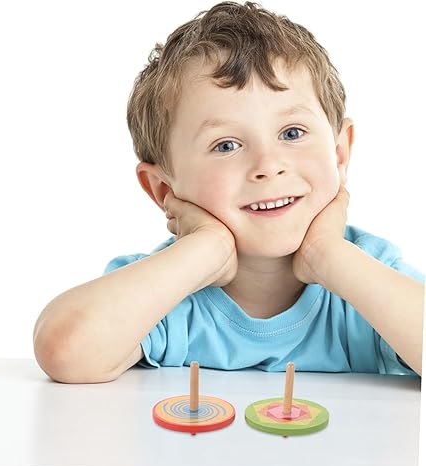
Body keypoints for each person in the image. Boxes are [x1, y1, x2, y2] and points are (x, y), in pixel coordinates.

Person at [33, 1, 424, 383]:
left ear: (339, 154)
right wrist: (208, 250)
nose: (268, 165)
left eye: (292, 133)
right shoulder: (163, 289)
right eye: (226, 145)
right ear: (164, 189)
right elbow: (65, 351)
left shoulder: (366, 274)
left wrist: (326, 254)